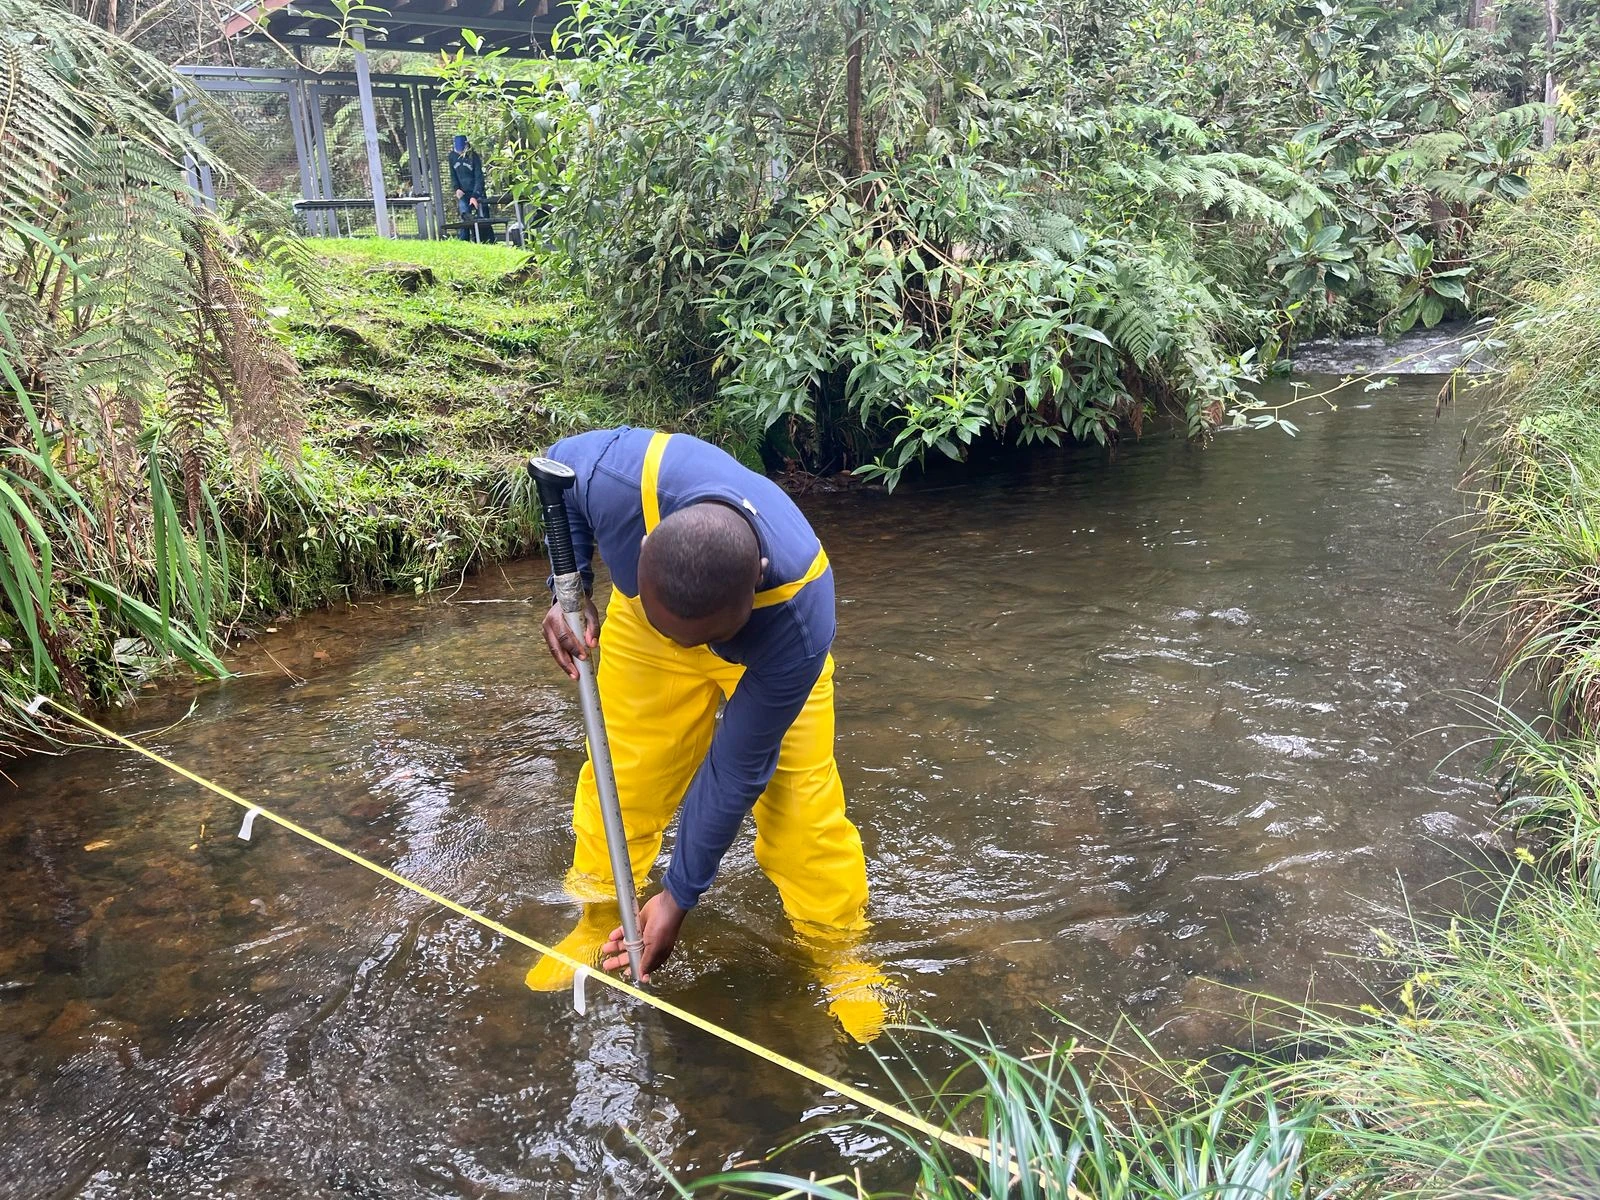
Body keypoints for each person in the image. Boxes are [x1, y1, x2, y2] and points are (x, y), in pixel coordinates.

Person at [524, 427, 891, 1042]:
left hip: (764, 650)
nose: (688, 649)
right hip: (647, 625)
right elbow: (556, 471)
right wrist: (571, 589)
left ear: (759, 579)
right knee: (621, 779)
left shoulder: (801, 614)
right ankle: (597, 921)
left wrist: (677, 897)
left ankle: (840, 955)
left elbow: (734, 770)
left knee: (802, 811)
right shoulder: (617, 481)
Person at [447, 133, 489, 241]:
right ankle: (463, 241)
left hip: (477, 193)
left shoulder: (473, 157)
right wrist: (456, 188)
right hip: (463, 193)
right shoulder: (452, 157)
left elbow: (479, 177)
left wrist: (475, 196)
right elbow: (453, 175)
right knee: (465, 217)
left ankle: (485, 241)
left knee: (483, 220)